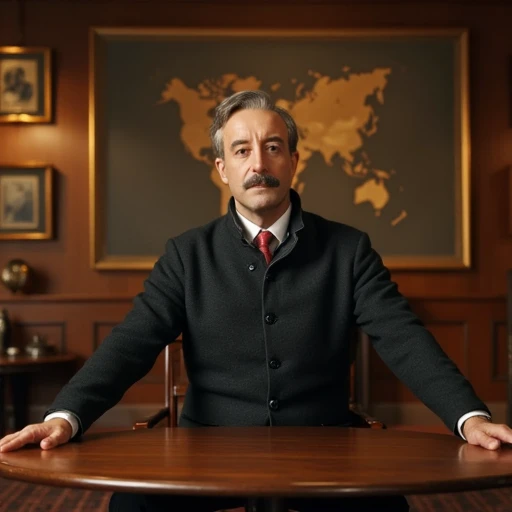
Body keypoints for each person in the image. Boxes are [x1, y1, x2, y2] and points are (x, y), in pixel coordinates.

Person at [1, 90, 512, 512]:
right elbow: (132, 341)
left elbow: (403, 336)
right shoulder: (185, 254)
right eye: (242, 150)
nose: (259, 162)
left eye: (272, 147)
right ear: (222, 168)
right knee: (128, 508)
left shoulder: (349, 249)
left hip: (327, 449)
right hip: (206, 451)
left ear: (293, 160)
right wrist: (64, 416)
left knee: (388, 508)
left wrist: (469, 417)